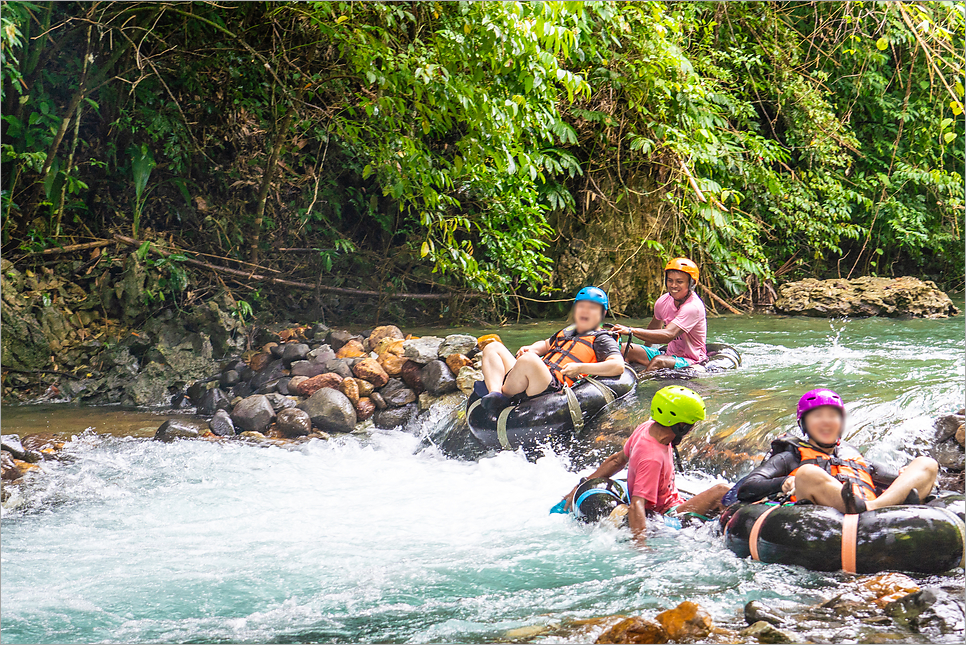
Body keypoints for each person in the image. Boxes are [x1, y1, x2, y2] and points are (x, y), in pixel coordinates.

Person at [562, 386, 730, 545]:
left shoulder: (647, 428)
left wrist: (580, 485)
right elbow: (637, 504)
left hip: (669, 500)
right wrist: (640, 545)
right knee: (721, 492)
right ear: (680, 425)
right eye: (692, 423)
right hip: (667, 515)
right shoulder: (652, 458)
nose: (693, 428)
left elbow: (617, 460)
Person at [734, 389, 939, 514]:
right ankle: (872, 509)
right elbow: (747, 488)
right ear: (804, 425)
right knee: (807, 473)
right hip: (827, 518)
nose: (826, 422)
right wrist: (783, 482)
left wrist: (904, 475)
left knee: (926, 464)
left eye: (833, 416)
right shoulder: (790, 457)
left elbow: (901, 480)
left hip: (870, 509)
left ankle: (871, 509)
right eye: (818, 416)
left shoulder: (856, 459)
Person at [479, 287, 625, 412]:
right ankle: (495, 394)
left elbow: (617, 366)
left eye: (592, 308)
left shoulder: (602, 338)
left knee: (528, 360)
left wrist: (580, 367)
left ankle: (503, 398)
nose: (585, 312)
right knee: (493, 347)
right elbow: (545, 345)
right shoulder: (569, 331)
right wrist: (532, 348)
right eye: (581, 307)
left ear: (602, 313)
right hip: (539, 375)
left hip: (554, 387)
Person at [612, 257, 707, 372]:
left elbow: (668, 335)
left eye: (679, 282)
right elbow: (654, 327)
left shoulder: (693, 307)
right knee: (623, 348)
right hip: (669, 353)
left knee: (658, 361)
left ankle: (639, 383)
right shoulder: (663, 301)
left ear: (691, 284)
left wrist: (631, 331)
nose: (673, 285)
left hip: (691, 359)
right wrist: (644, 352)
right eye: (670, 280)